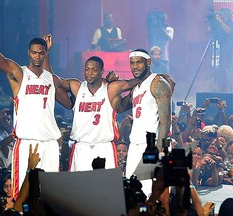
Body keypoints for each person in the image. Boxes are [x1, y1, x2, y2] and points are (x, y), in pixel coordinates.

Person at [0, 6, 72, 201]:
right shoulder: (19, 74)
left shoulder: (52, 79)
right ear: (29, 53)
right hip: (27, 143)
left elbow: (69, 104)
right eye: (34, 53)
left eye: (41, 53)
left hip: (50, 145)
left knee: (50, 198)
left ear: (46, 54)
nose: (37, 56)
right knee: (22, 197)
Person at [54, 56, 140, 172]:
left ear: (101, 72)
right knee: (79, 187)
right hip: (81, 147)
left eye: (94, 70)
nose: (90, 73)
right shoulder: (77, 87)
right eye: (87, 69)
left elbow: (133, 82)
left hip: (104, 146)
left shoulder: (110, 88)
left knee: (106, 187)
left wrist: (153, 77)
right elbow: (54, 81)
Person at [119, 49, 172, 198]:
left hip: (151, 145)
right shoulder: (136, 87)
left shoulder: (158, 83)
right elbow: (120, 108)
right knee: (132, 192)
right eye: (132, 63)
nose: (135, 66)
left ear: (148, 62)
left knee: (151, 194)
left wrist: (158, 149)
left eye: (139, 62)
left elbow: (165, 121)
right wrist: (115, 85)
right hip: (135, 145)